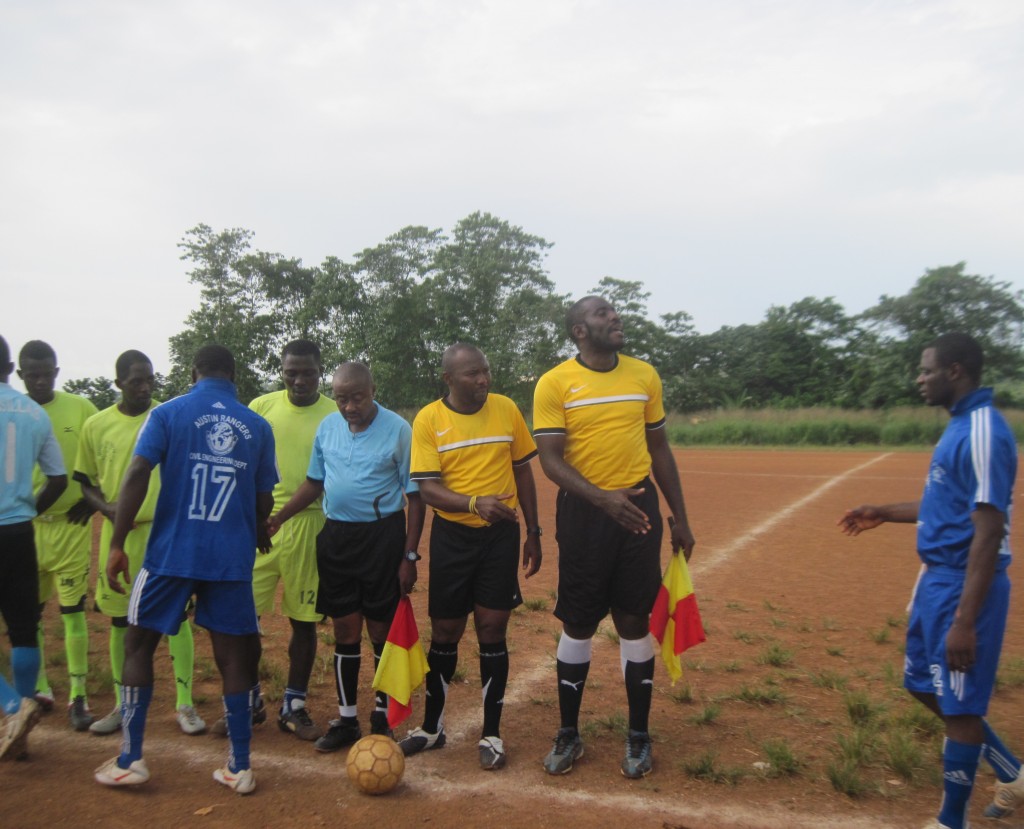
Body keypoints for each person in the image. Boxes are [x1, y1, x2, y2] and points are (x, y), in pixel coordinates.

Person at [838, 333, 1021, 829]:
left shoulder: (984, 431)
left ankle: (949, 821)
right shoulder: (960, 426)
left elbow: (989, 531)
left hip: (966, 585)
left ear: (955, 371)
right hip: (937, 581)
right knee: (923, 684)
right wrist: (885, 511)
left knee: (959, 706)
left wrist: (965, 620)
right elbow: (948, 507)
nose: (919, 378)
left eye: (926, 370)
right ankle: (1010, 770)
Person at [94, 345, 277, 794]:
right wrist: (255, 532)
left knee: (138, 644)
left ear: (193, 373)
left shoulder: (168, 414)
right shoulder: (256, 425)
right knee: (234, 657)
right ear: (234, 375)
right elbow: (263, 500)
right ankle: (239, 766)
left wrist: (117, 543)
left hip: (172, 552)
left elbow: (137, 472)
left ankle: (131, 758)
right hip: (230, 557)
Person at [533, 296, 696, 779]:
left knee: (633, 618)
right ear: (580, 331)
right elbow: (551, 461)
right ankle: (568, 733)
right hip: (585, 515)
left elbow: (659, 448)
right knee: (579, 621)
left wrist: (680, 517)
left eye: (614, 312)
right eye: (603, 314)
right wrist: (603, 498)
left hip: (637, 512)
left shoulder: (644, 375)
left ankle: (639, 736)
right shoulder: (554, 383)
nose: (615, 317)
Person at [268, 361, 425, 752]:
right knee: (345, 631)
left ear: (373, 390)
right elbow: (315, 482)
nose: (350, 406)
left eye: (357, 397)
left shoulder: (398, 430)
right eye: (341, 398)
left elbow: (416, 497)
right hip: (336, 539)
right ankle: (347, 718)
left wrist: (409, 555)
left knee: (379, 631)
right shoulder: (328, 427)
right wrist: (278, 518)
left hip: (382, 538)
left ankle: (381, 713)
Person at [399, 343, 541, 771]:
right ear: (448, 379)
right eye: (472, 374)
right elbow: (427, 488)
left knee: (492, 627)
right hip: (453, 535)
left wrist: (533, 531)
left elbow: (522, 470)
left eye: (486, 371)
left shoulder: (506, 409)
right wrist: (474, 502)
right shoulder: (429, 419)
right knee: (445, 630)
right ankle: (431, 728)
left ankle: (492, 732)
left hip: (500, 535)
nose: (483, 380)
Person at [74, 350, 204, 737]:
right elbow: (84, 481)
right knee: (119, 619)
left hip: (164, 532)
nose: (145, 387)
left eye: (149, 379)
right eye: (135, 381)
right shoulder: (96, 425)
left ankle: (185, 704)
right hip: (121, 536)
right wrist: (109, 509)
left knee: (177, 618)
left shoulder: (170, 417)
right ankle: (120, 703)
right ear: (119, 384)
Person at [238, 340, 336, 742]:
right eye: (291, 372)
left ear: (319, 370)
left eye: (308, 372)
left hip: (308, 525)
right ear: (281, 370)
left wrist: (277, 518)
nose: (299, 380)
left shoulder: (334, 412)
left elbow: (325, 476)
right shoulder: (260, 407)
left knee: (304, 619)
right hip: (258, 528)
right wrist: (254, 519)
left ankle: (294, 704)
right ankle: (247, 700)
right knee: (243, 619)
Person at [17, 340, 98, 730]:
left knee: (72, 613)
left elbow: (102, 449)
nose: (39, 380)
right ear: (19, 375)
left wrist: (93, 497)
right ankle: (40, 686)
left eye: (46, 372)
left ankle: (78, 695)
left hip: (70, 526)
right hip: (26, 530)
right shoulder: (15, 413)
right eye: (31, 374)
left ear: (56, 371)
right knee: (29, 612)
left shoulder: (80, 408)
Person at [0, 334, 67, 760]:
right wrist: (29, 508)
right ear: (11, 367)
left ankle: (11, 707)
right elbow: (58, 479)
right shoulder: (33, 413)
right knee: (24, 628)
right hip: (20, 532)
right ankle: (18, 728)